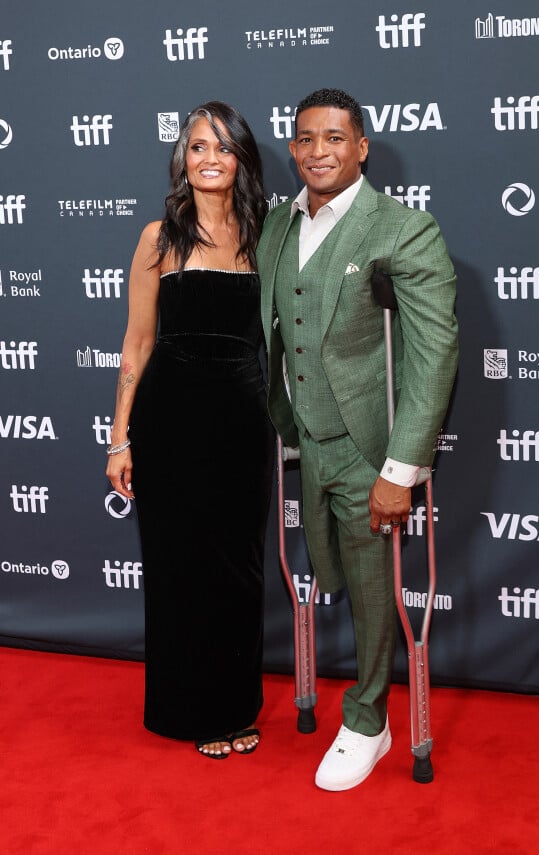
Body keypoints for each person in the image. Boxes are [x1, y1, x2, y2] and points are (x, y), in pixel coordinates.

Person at [257, 88, 458, 790]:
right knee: (324, 568)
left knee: (375, 586)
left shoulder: (404, 228)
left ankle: (369, 721)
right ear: (292, 148)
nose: (320, 151)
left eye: (335, 138)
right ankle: (339, 701)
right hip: (301, 435)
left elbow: (434, 353)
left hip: (367, 443)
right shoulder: (278, 227)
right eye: (307, 138)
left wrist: (400, 469)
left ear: (362, 146)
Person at [106, 101, 274, 760]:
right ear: (183, 158)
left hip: (241, 418)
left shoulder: (267, 233)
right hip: (169, 417)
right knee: (179, 567)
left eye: (223, 148)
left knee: (237, 567)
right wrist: (120, 436)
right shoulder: (159, 237)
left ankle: (234, 706)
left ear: (242, 160)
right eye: (197, 146)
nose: (209, 158)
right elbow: (136, 343)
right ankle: (186, 708)